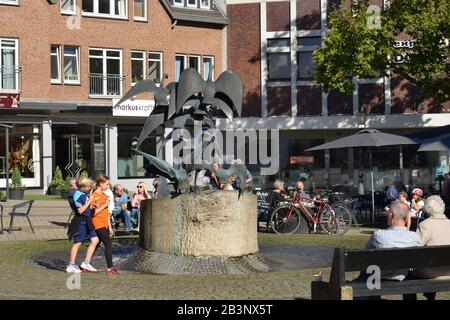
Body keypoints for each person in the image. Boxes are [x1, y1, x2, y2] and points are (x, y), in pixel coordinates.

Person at [406, 195, 450, 300]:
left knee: (408, 271)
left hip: (429, 272)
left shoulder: (424, 225)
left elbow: (415, 250)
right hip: (449, 270)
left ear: (427, 209)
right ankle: (430, 295)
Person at [365, 201, 422, 281]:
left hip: (379, 277)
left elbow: (366, 252)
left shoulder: (378, 235)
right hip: (405, 277)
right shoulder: (415, 237)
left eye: (388, 213)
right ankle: (410, 294)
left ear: (392, 216)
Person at [66, 177, 100, 273]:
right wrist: (89, 202)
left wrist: (92, 205)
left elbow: (87, 206)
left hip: (88, 220)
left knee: (95, 240)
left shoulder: (84, 194)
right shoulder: (78, 195)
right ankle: (71, 265)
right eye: (88, 186)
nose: (89, 188)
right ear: (83, 187)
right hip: (81, 222)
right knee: (77, 243)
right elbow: (80, 210)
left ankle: (86, 262)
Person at [91, 175, 119, 275]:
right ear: (101, 184)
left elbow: (106, 213)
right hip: (97, 223)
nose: (108, 186)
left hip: (104, 224)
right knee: (108, 243)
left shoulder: (104, 196)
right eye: (107, 184)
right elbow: (93, 213)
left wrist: (110, 226)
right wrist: (105, 205)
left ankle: (85, 263)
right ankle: (110, 267)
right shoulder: (94, 196)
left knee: (97, 243)